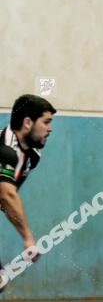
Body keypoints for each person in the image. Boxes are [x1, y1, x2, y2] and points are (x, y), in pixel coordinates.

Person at [0, 94, 56, 291]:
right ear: (27, 123)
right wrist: (28, 238)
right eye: (46, 122)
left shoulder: (32, 156)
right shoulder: (5, 148)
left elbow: (6, 201)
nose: (50, 129)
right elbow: (7, 195)